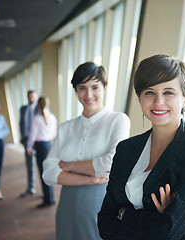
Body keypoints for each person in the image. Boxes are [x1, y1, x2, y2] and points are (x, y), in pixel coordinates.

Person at [97, 54, 185, 240]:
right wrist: (156, 216)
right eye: (149, 92)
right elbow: (104, 221)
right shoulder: (126, 149)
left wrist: (123, 215)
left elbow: (169, 230)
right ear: (140, 98)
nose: (158, 101)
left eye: (168, 92)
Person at [42, 62, 131, 240]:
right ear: (76, 91)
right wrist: (89, 179)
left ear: (105, 87)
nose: (88, 94)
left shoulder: (117, 120)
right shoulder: (66, 127)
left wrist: (67, 166)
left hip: (102, 204)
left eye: (95, 87)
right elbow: (48, 173)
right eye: (82, 88)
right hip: (67, 205)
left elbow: (111, 163)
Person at [27, 96, 57, 208]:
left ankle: (47, 200)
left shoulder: (36, 119)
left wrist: (29, 147)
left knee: (43, 173)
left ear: (38, 105)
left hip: (40, 147)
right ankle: (51, 198)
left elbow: (32, 135)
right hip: (49, 145)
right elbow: (54, 134)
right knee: (49, 172)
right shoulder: (52, 117)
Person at [19, 90, 38, 197]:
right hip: (27, 139)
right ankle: (31, 187)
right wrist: (22, 137)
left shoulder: (39, 108)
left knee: (41, 165)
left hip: (37, 140)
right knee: (29, 165)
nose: (31, 98)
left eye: (33, 97)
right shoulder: (23, 109)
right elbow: (21, 123)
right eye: (29, 96)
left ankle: (47, 190)